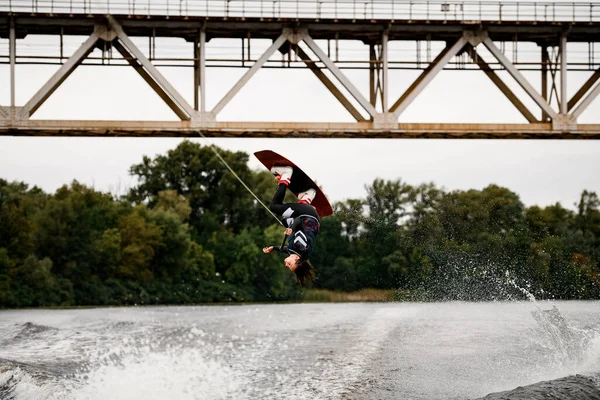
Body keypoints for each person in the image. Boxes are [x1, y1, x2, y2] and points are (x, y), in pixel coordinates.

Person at [262, 166, 320, 287]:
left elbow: (287, 249)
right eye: (290, 265)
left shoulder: (298, 253)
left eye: (288, 266)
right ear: (297, 261)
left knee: (284, 221)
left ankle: (307, 196)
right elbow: (298, 221)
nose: (286, 265)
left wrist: (273, 248)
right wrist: (291, 229)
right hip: (306, 215)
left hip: (310, 218)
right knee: (274, 206)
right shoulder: (300, 246)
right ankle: (286, 176)